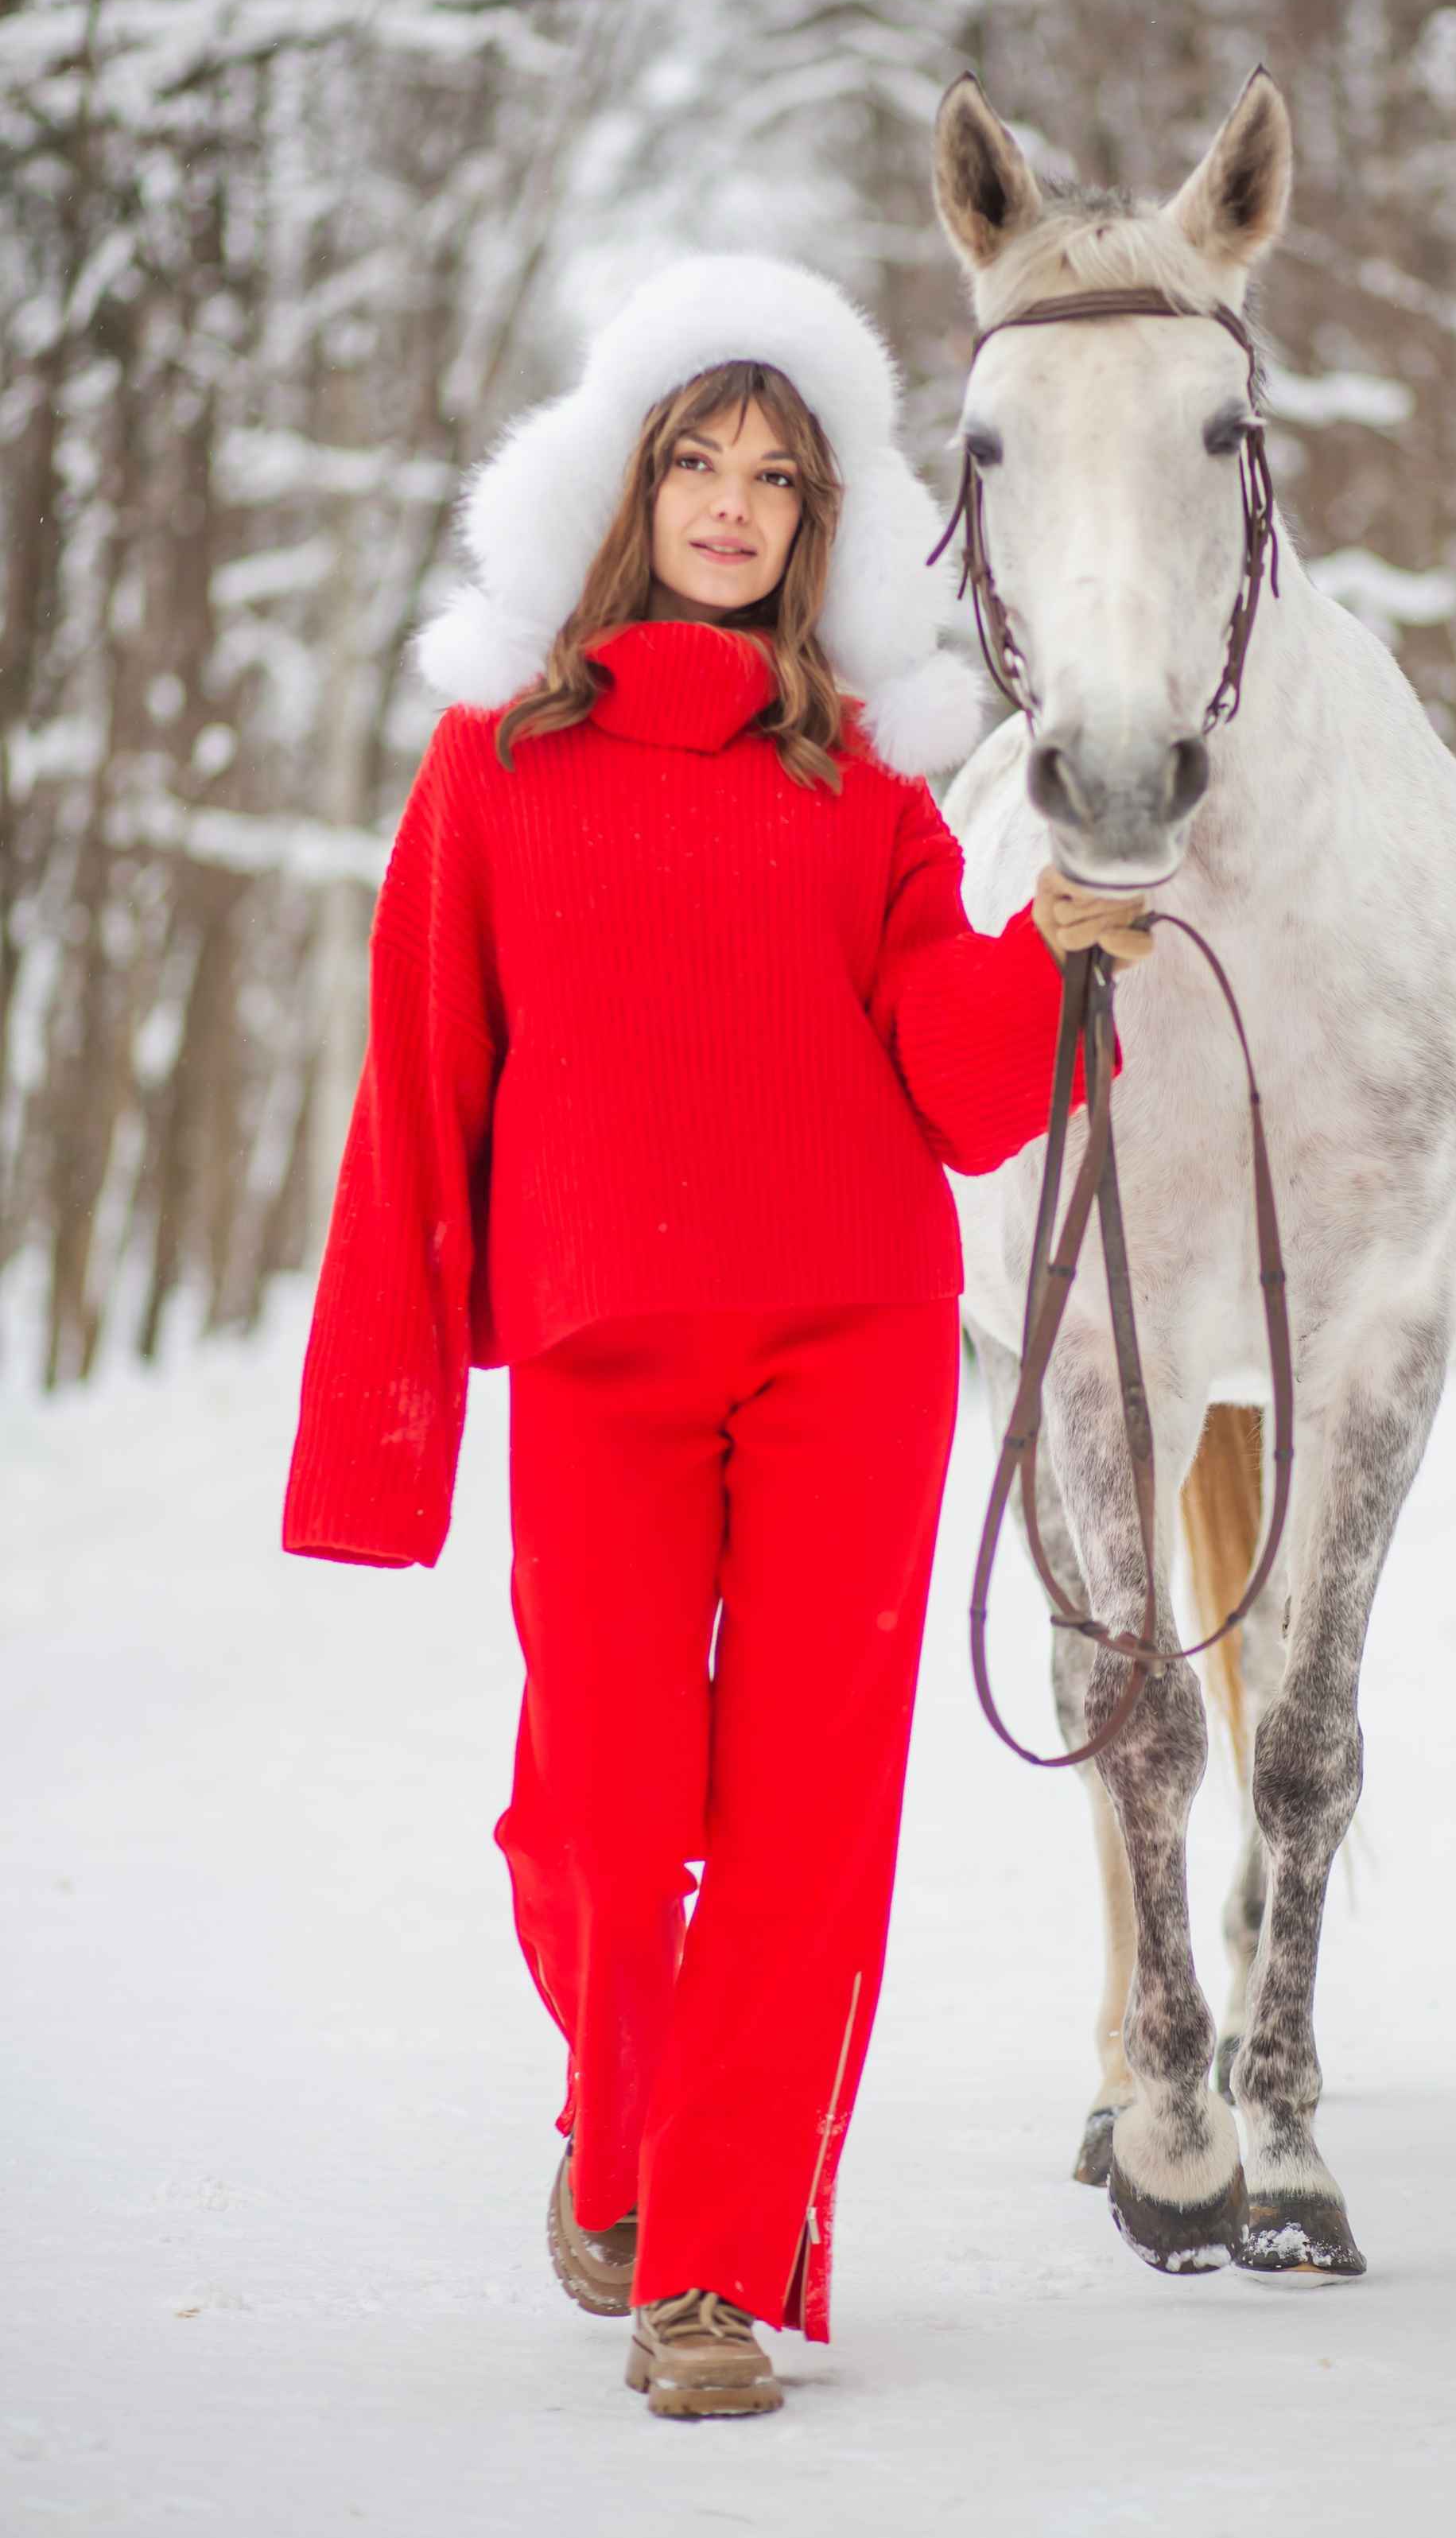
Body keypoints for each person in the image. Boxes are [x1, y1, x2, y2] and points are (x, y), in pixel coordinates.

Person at [281, 255, 1149, 2422]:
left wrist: (1052, 954)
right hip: (601, 1348)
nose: (739, 502)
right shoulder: (491, 764)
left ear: (821, 519)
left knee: (802, 1819)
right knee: (594, 1807)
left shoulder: (861, 784)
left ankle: (710, 2263)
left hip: (850, 1336)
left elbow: (950, 1089)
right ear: (626, 481)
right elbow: (417, 1092)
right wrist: (383, 1433)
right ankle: (622, 2111)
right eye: (700, 457)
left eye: (779, 472)